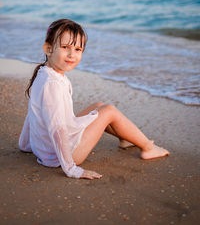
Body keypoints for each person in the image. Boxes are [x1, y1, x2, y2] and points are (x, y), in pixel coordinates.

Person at [19, 19, 169, 180]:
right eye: (65, 47)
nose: (72, 54)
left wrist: (25, 144)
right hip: (63, 155)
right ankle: (148, 147)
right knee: (109, 111)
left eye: (78, 49)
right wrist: (71, 169)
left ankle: (124, 138)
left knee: (98, 106)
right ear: (48, 48)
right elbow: (58, 129)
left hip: (47, 149)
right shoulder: (53, 84)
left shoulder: (43, 73)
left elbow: (33, 113)